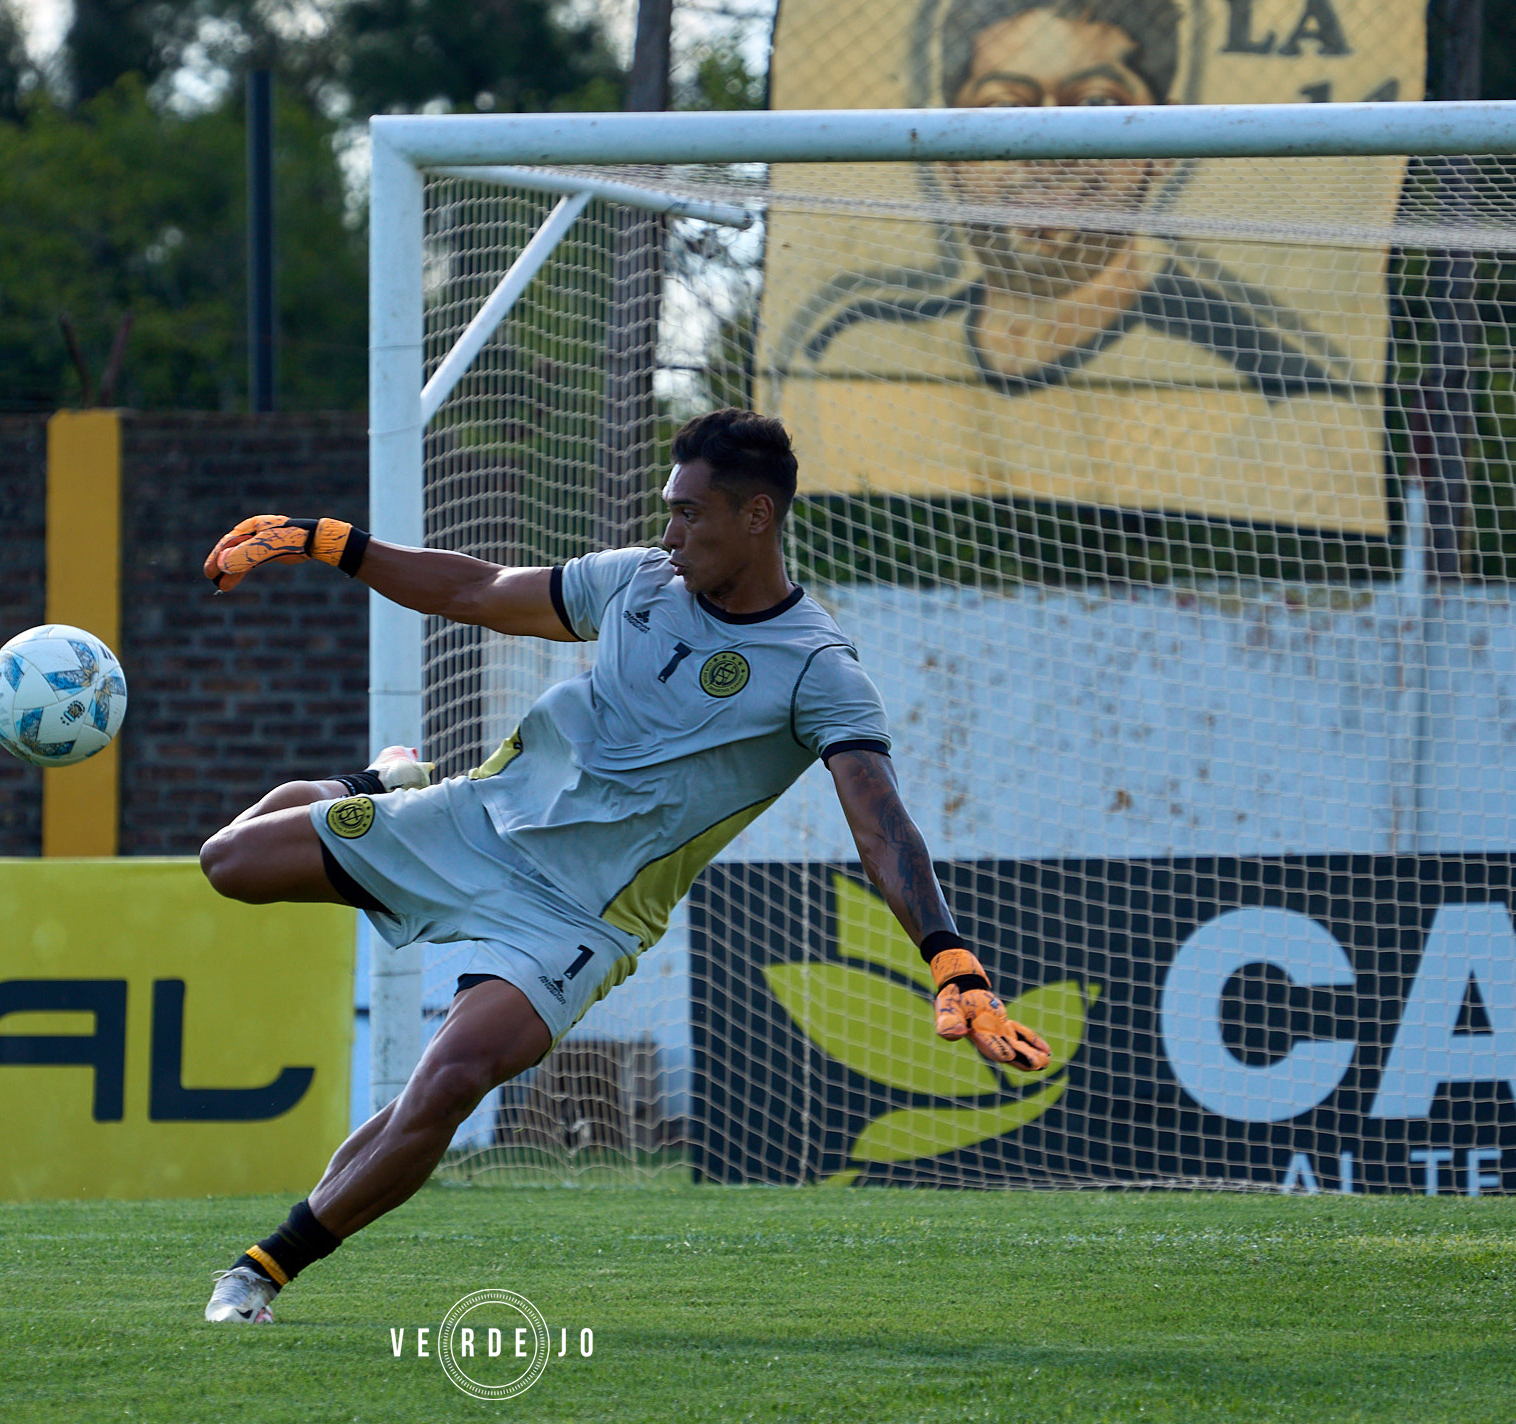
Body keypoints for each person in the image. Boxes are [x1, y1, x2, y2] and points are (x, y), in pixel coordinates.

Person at [194, 409, 1049, 1324]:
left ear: (758, 517)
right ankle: (372, 782)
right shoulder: (636, 580)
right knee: (228, 862)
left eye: (692, 516)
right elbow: (477, 590)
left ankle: (257, 1274)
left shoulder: (818, 670)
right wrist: (337, 543)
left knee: (448, 1081)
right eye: (669, 511)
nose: (672, 535)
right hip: (481, 819)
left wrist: (949, 959)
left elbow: (883, 825)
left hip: (580, 916)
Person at [779, 0, 1351, 399]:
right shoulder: (852, 349)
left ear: (1169, 141)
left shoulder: (1273, 380)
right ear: (946, 147)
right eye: (1004, 109)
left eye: (1097, 106)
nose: (1046, 150)